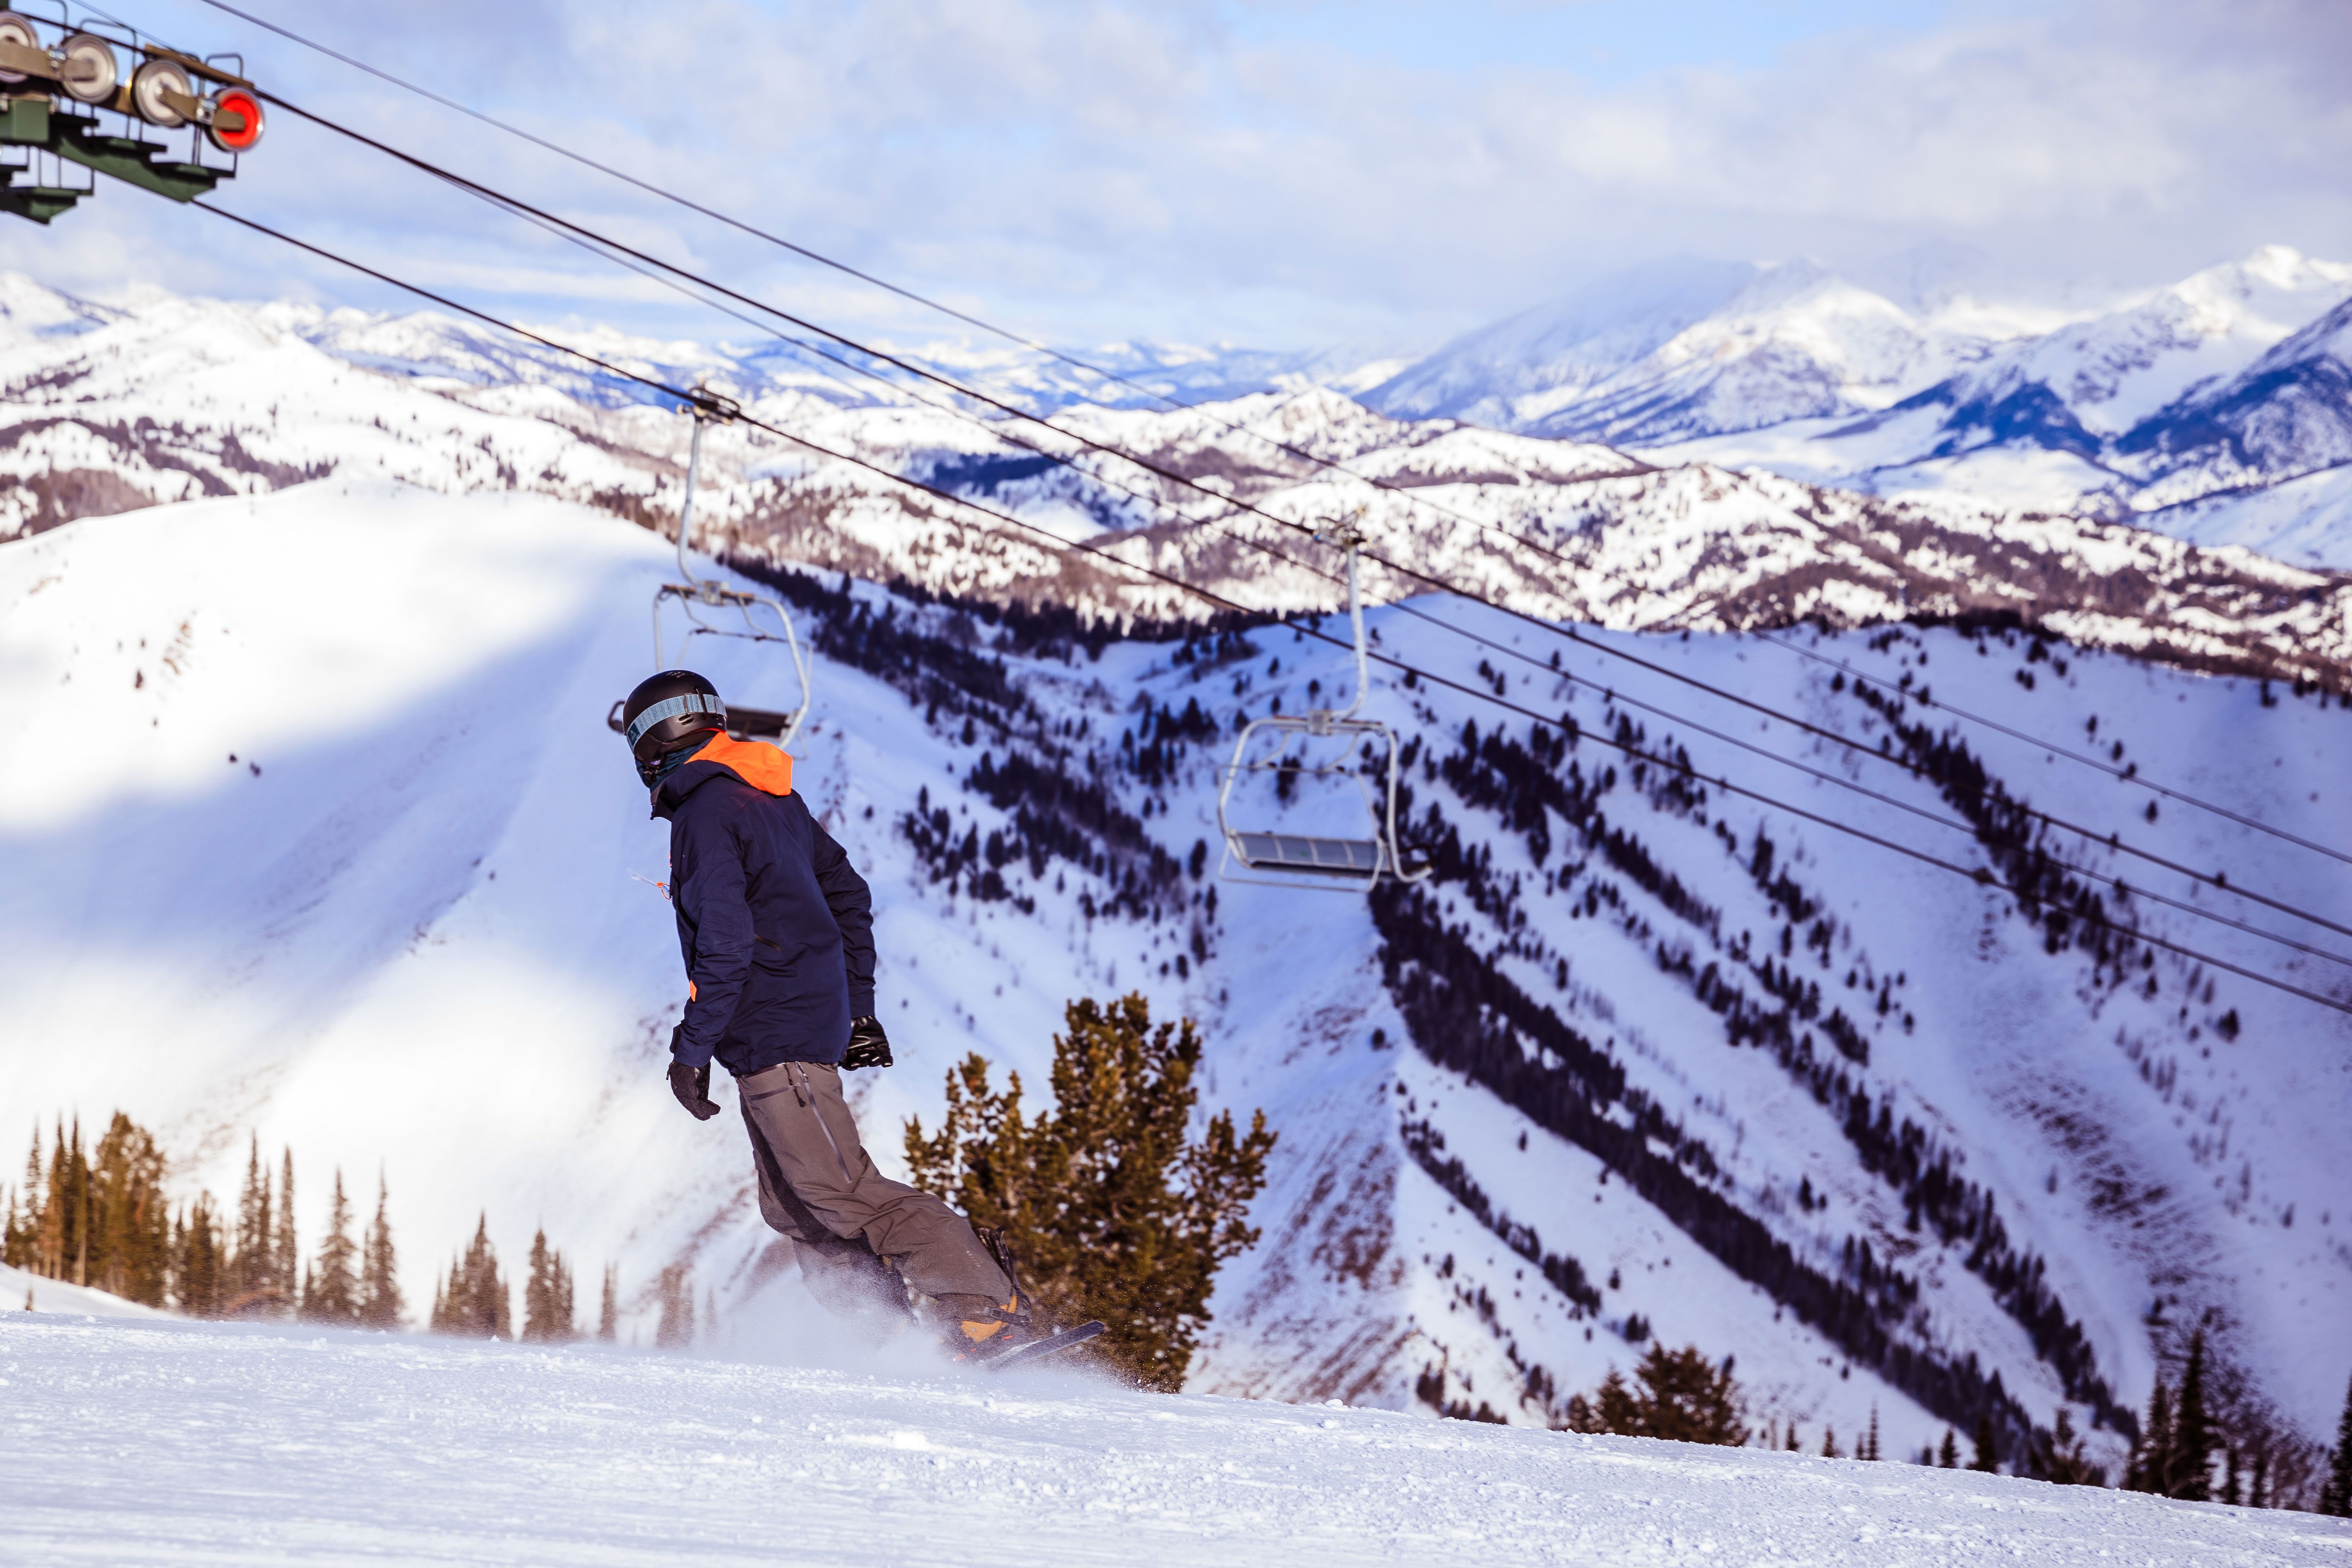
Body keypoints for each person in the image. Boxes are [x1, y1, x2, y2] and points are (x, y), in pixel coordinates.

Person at [620, 669, 1028, 1355]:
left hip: (777, 1031)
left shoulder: (705, 814)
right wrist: (857, 1009)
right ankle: (883, 1339)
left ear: (652, 741)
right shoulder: (767, 800)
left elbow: (723, 944)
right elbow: (851, 895)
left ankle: (986, 1309)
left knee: (842, 1192)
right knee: (796, 1205)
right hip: (775, 1031)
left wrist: (690, 1052)